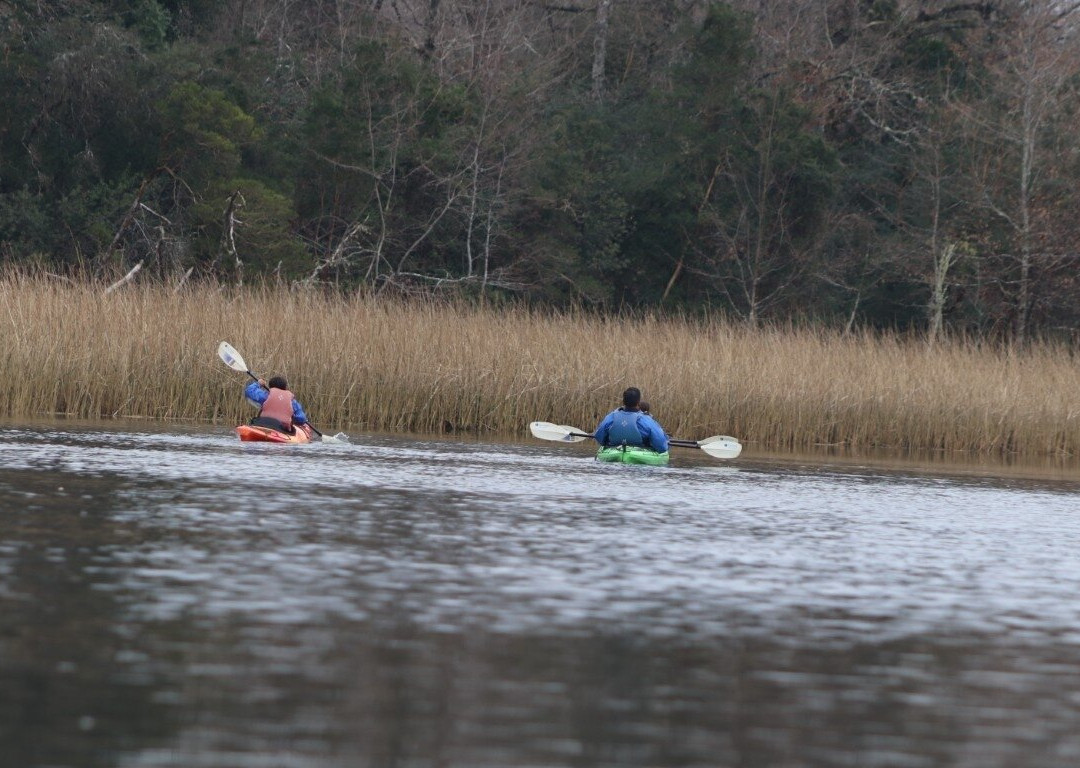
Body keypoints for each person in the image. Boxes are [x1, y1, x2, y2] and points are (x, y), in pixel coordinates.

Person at [594, 387, 669, 453]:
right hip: (640, 451)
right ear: (638, 402)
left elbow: (599, 436)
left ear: (623, 401)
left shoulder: (611, 416)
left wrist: (606, 443)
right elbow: (661, 446)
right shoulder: (646, 420)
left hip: (614, 449)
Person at [244, 375, 309, 435]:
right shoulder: (292, 402)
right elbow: (301, 419)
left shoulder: (266, 396)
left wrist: (258, 383)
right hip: (281, 429)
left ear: (270, 387)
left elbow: (249, 391)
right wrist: (293, 417)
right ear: (285, 387)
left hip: (263, 424)